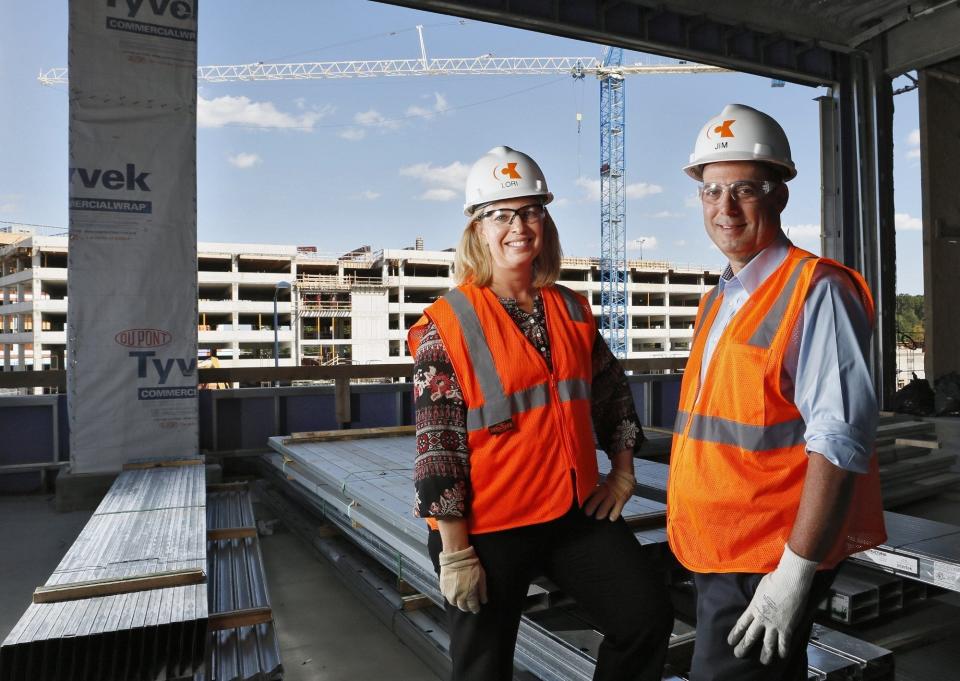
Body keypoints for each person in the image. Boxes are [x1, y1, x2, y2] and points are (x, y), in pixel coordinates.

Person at [407, 146, 673, 681]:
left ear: (545, 221)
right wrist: (456, 552)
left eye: (530, 211)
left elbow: (612, 395)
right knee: (483, 668)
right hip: (487, 527)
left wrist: (622, 472)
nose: (518, 226)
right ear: (478, 229)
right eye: (501, 214)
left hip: (571, 513)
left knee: (645, 617)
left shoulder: (571, 309)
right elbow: (439, 448)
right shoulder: (447, 323)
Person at [666, 104, 887, 681]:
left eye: (744, 190)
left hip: (767, 554)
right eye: (711, 192)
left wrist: (794, 573)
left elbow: (839, 442)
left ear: (780, 194)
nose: (724, 209)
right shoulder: (720, 299)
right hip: (720, 544)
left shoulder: (818, 292)